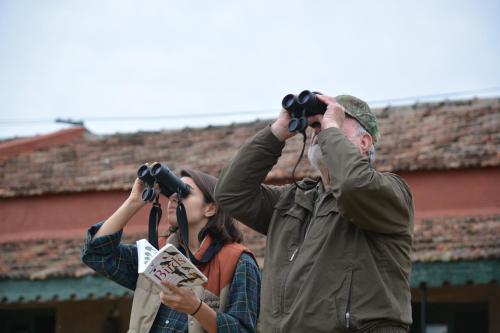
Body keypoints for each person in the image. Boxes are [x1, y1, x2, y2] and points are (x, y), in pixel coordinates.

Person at [215, 94, 414, 333]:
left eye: (338, 121)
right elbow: (229, 192)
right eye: (317, 125)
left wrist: (330, 128)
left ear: (364, 143)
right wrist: (277, 132)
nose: (320, 130)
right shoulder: (293, 201)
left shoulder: (391, 192)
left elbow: (353, 186)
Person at [81, 168, 261, 333]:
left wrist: (197, 308)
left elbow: (243, 329)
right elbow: (97, 254)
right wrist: (133, 202)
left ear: (210, 208)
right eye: (171, 192)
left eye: (184, 191)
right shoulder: (156, 251)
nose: (174, 197)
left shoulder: (238, 261)